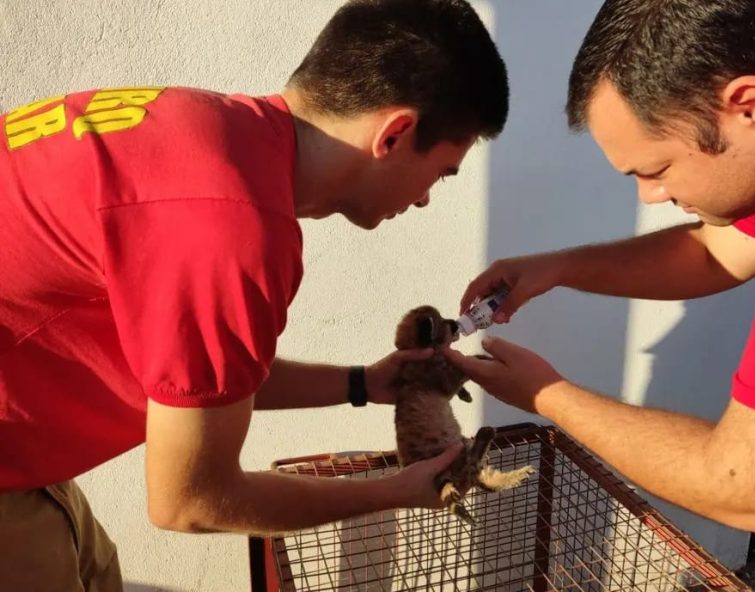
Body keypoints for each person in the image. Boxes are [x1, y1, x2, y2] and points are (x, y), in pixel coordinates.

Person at [0, 0, 508, 589]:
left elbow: (205, 384)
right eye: (442, 173)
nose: (424, 199)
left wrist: (363, 384)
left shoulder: (205, 131)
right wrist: (396, 491)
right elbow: (191, 502)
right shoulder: (230, 227)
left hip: (26, 453)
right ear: (395, 133)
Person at [446, 0, 755, 537]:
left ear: (752, 107)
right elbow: (716, 252)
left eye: (658, 169)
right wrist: (557, 267)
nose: (651, 196)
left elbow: (752, 488)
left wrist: (545, 394)